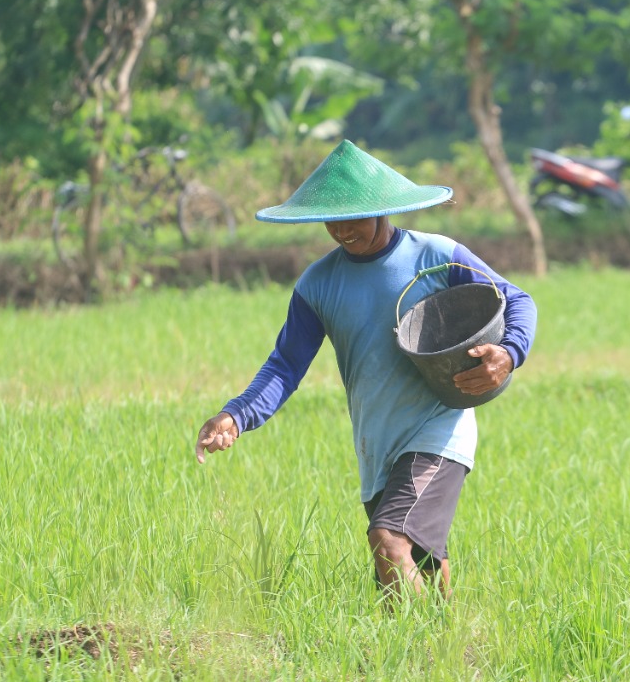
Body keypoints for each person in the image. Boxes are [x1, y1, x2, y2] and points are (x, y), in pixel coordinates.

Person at [194, 140, 536, 599]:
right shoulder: (318, 284)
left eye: (353, 217)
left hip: (439, 431)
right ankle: (445, 655)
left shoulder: (435, 256)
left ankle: (426, 650)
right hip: (376, 445)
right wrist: (236, 415)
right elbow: (286, 365)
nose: (341, 230)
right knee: (424, 565)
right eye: (331, 219)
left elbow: (516, 300)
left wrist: (508, 353)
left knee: (387, 538)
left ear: (383, 209)